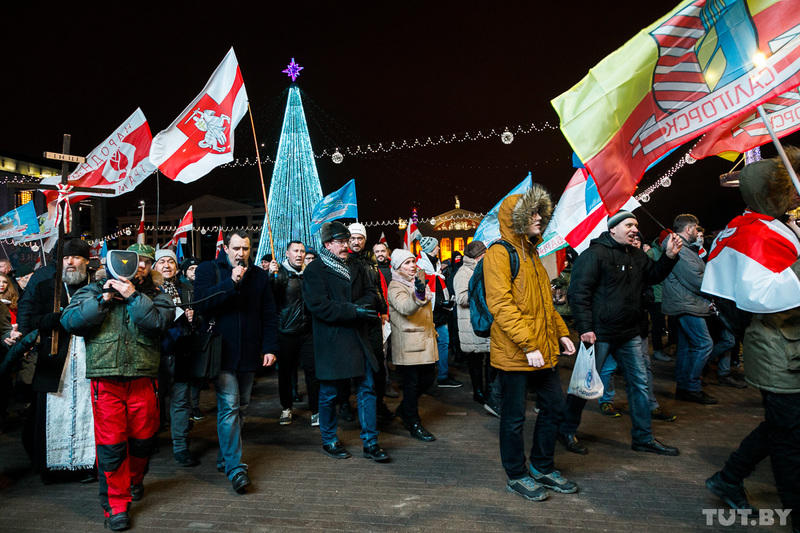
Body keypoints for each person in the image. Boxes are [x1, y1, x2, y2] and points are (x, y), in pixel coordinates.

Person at [702, 148, 800, 531]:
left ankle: (728, 477)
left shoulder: (751, 226)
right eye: (788, 189)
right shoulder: (757, 233)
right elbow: (763, 294)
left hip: (781, 343)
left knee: (784, 425)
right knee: (788, 436)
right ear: (773, 194)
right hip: (777, 347)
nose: (795, 195)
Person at [61, 243, 174, 531]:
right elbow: (71, 321)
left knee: (144, 440)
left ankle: (135, 480)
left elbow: (158, 323)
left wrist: (133, 296)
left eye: (142, 263)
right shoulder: (91, 290)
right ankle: (116, 505)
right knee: (111, 446)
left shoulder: (155, 295)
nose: (138, 268)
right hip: (106, 379)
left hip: (143, 378)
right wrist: (103, 298)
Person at [560, 210, 682, 457]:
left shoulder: (636, 255)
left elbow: (653, 276)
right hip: (600, 334)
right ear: (612, 228)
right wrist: (585, 328)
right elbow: (578, 293)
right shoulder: (594, 255)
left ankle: (643, 438)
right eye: (629, 224)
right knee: (583, 386)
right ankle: (566, 430)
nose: (634, 229)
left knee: (640, 383)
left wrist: (669, 256)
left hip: (629, 332)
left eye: (636, 225)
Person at [484, 184, 578, 501]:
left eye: (540, 212)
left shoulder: (533, 252)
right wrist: (528, 344)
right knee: (514, 418)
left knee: (554, 406)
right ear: (518, 217)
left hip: (543, 349)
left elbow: (545, 304)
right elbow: (501, 306)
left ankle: (541, 466)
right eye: (533, 213)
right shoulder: (499, 253)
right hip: (517, 351)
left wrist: (562, 332)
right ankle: (516, 474)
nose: (540, 218)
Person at [193, 230, 279, 494]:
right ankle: (235, 468)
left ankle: (226, 455)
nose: (240, 253)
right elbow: (202, 304)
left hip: (249, 353)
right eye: (236, 248)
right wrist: (231, 282)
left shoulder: (259, 276)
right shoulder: (209, 270)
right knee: (229, 406)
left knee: (241, 407)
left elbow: (268, 314)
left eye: (245, 248)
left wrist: (270, 347)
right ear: (225, 248)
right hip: (221, 352)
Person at [302, 221, 389, 462]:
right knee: (329, 394)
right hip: (332, 341)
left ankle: (370, 442)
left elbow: (372, 293)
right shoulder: (315, 270)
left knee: (367, 389)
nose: (346, 245)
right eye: (341, 241)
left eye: (347, 240)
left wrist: (362, 307)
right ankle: (329, 439)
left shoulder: (357, 266)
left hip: (358, 338)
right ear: (328, 244)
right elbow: (318, 306)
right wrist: (353, 311)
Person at [19, 239, 95, 483]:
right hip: (54, 359)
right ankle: (52, 468)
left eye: (75, 258)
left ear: (85, 262)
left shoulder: (95, 286)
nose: (70, 262)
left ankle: (85, 466)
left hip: (86, 360)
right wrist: (49, 320)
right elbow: (31, 320)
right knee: (51, 413)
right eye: (65, 258)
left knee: (86, 413)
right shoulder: (46, 287)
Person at [661, 214, 729, 404]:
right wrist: (715, 290)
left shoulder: (685, 249)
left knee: (687, 346)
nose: (699, 232)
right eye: (697, 228)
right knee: (703, 344)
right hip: (688, 303)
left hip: (687, 302)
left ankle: (684, 386)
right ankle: (691, 386)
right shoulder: (680, 250)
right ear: (688, 229)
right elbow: (696, 280)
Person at [153, 249, 199, 467]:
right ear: (155, 266)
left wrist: (194, 317)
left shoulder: (187, 289)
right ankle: (148, 442)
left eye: (170, 261)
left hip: (182, 351)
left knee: (181, 401)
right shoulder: (149, 290)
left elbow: (201, 316)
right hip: (156, 353)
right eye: (161, 262)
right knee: (154, 401)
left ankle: (180, 447)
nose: (166, 266)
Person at [387, 249, 437, 441]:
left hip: (423, 341)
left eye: (412, 261)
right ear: (398, 267)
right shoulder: (395, 286)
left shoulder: (417, 281)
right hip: (408, 343)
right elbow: (406, 308)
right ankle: (413, 421)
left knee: (427, 380)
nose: (412, 265)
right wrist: (418, 293)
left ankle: (404, 409)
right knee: (412, 384)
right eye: (407, 263)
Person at [347, 223, 394, 422]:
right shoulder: (344, 260)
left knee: (378, 365)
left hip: (373, 318)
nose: (356, 242)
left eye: (360, 238)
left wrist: (383, 311)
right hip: (352, 318)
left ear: (365, 240)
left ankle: (379, 403)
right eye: (352, 238)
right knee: (350, 365)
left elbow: (377, 287)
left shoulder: (372, 260)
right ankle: (346, 405)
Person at [272, 240, 318, 426]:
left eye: (301, 251)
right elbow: (272, 297)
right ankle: (286, 408)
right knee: (285, 373)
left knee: (313, 372)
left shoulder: (309, 273)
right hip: (286, 332)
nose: (299, 254)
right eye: (295, 251)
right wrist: (271, 277)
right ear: (287, 253)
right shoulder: (279, 273)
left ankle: (316, 411)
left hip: (308, 331)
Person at [454, 240, 499, 410]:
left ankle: (489, 390)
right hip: (471, 325)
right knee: (475, 360)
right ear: (478, 257)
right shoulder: (463, 273)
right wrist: (482, 295)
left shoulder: (485, 269)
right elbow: (461, 298)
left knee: (490, 360)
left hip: (485, 322)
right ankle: (478, 391)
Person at [417, 236, 460, 388]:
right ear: (430, 249)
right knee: (430, 345)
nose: (439, 248)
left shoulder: (435, 265)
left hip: (441, 312)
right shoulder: (420, 267)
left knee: (444, 343)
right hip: (428, 313)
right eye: (436, 246)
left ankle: (443, 375)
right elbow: (420, 293)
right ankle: (426, 378)